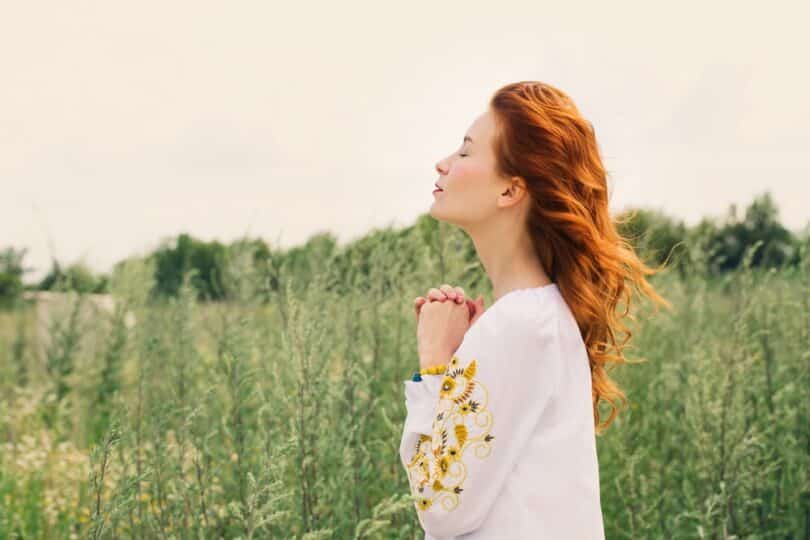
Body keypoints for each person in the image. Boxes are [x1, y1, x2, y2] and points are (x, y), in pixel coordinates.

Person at [399, 81, 671, 539]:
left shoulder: (516, 326)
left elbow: (440, 505)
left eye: (465, 152)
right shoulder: (537, 317)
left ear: (510, 190)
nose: (443, 163)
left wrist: (435, 366)